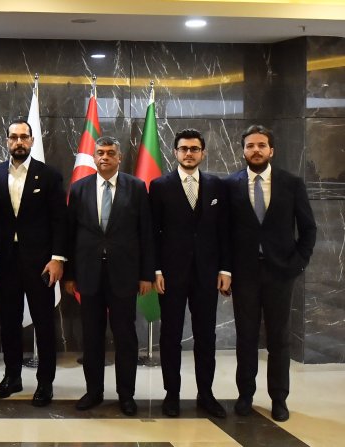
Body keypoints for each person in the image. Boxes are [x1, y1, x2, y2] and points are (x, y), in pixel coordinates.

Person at [225, 125, 316, 422]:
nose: (256, 150)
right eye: (250, 145)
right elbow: (222, 232)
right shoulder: (230, 185)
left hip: (280, 273)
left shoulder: (292, 184)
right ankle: (245, 395)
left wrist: (297, 264)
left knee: (279, 338)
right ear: (243, 151)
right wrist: (226, 270)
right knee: (246, 337)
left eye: (261, 145)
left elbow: (308, 229)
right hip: (244, 275)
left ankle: (279, 398)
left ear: (271, 150)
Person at [63, 136, 154, 416]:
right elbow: (70, 234)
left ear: (119, 157)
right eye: (100, 153)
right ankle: (94, 392)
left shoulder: (136, 187)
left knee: (125, 336)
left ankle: (126, 395)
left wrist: (146, 275)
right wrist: (69, 275)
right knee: (92, 336)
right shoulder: (79, 188)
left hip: (124, 274)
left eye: (110, 153)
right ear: (94, 157)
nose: (104, 157)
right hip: (89, 274)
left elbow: (146, 233)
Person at [0, 119, 66, 407]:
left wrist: (57, 258)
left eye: (24, 137)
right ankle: (12, 377)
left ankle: (45, 382)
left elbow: (60, 221)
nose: (19, 142)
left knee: (44, 323)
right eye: (14, 137)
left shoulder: (49, 175)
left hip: (41, 263)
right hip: (6, 261)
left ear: (31, 141)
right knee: (9, 321)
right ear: (7, 141)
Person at [148, 128, 229, 418]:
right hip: (170, 274)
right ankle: (172, 393)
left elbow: (224, 232)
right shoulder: (159, 186)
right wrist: (156, 269)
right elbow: (152, 232)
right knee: (170, 334)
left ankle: (206, 394)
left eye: (194, 149)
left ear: (203, 153)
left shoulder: (217, 186)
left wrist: (225, 269)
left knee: (206, 335)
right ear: (175, 152)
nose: (189, 153)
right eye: (183, 149)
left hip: (207, 274)